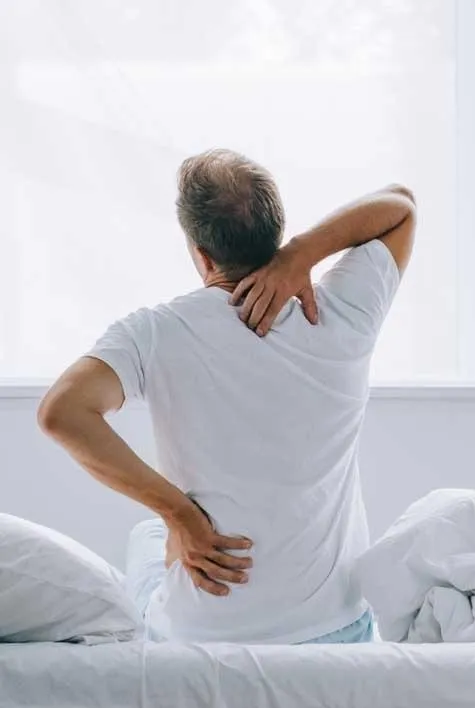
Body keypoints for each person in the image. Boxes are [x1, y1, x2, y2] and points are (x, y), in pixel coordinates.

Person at [38, 148, 416, 644]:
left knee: (148, 536)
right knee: (152, 536)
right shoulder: (344, 310)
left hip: (202, 635)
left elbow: (62, 413)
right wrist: (301, 255)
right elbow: (400, 204)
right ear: (275, 234)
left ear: (201, 253)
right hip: (335, 628)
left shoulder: (156, 332)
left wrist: (180, 516)